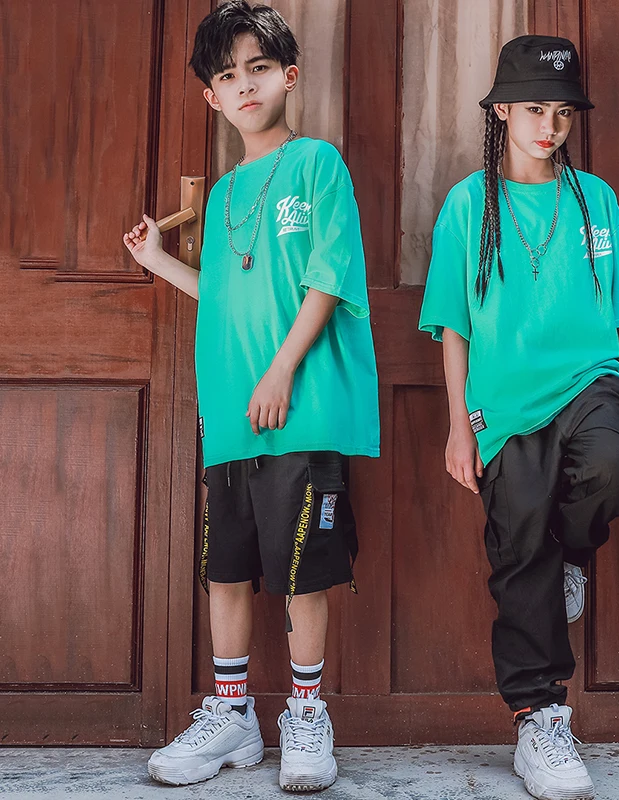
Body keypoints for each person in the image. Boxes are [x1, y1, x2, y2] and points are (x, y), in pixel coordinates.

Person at [122, 1, 379, 790]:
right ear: (212, 96)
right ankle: (232, 718)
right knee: (226, 568)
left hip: (303, 405)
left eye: (259, 69)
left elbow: (328, 277)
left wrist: (282, 368)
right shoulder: (226, 193)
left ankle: (306, 714)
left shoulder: (318, 165)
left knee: (304, 571)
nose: (245, 85)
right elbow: (227, 295)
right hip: (233, 413)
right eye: (228, 76)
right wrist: (160, 262)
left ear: (289, 76)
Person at [419, 35, 619, 800]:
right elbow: (453, 326)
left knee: (616, 465)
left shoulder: (596, 199)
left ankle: (573, 554)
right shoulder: (468, 205)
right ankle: (540, 720)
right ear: (500, 114)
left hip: (590, 381)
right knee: (519, 544)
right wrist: (458, 424)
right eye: (532, 110)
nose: (548, 127)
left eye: (561, 113)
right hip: (502, 402)